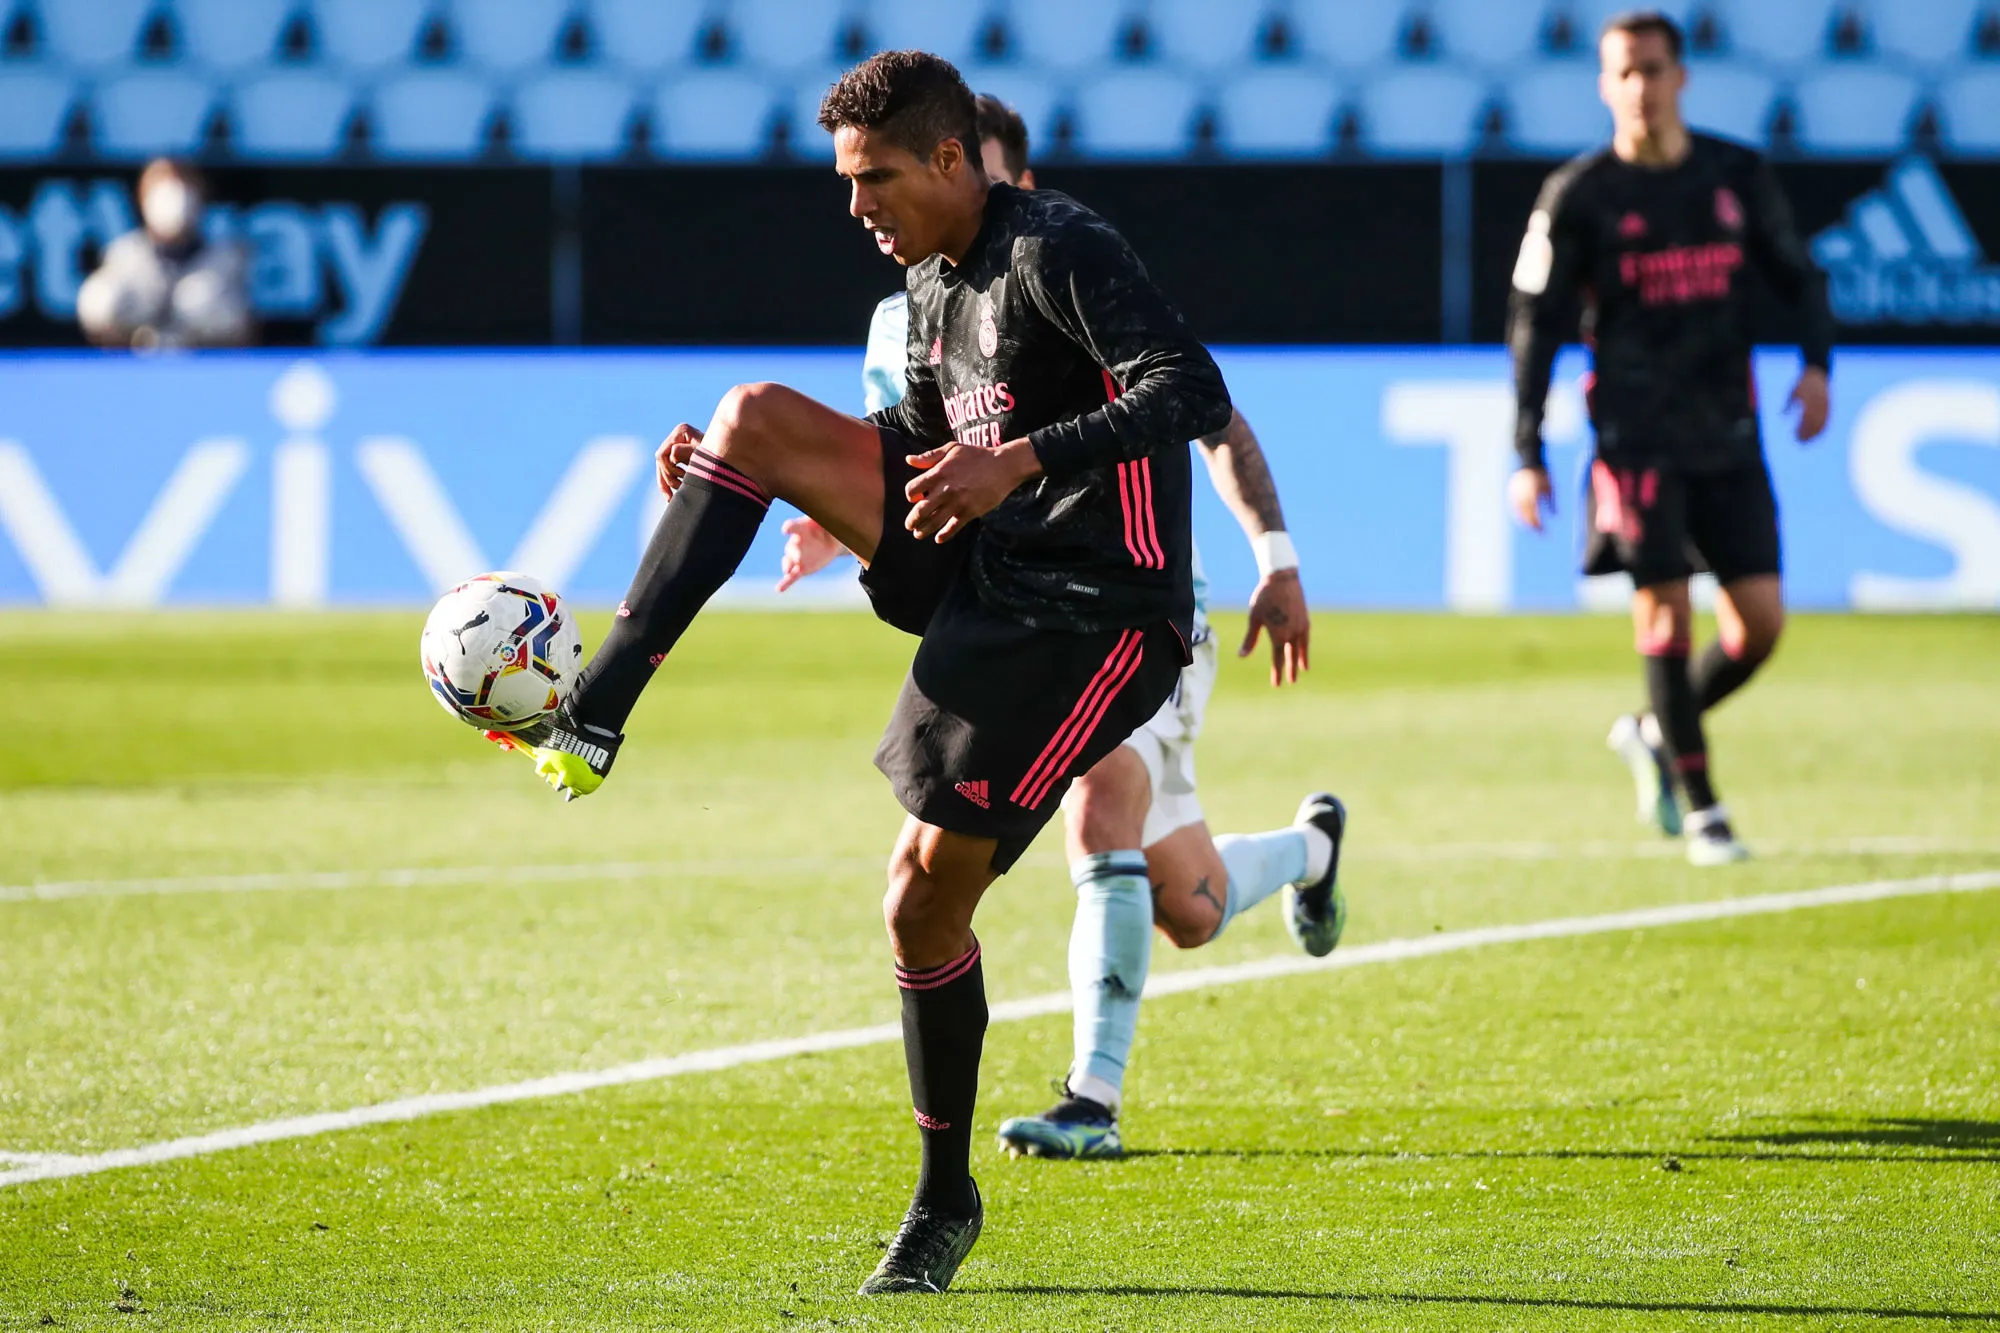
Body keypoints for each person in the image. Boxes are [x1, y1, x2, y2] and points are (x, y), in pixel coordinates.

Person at [483, 51, 1231, 1294]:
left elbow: (1188, 385)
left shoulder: (1056, 246)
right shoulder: (932, 283)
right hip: (990, 570)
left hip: (1100, 612)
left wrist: (1024, 460)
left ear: (951, 159)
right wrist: (757, 479)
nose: (855, 207)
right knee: (752, 419)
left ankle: (944, 1198)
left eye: (873, 176)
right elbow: (927, 445)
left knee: (919, 906)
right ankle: (598, 704)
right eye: (845, 181)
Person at [779, 94, 1348, 1163]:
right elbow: (905, 455)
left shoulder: (1063, 266)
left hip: (1125, 615)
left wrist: (1276, 557)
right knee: (1186, 902)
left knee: (1100, 811)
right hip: (1011, 607)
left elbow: (1207, 409)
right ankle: (1312, 848)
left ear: (995, 177)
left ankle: (1092, 1096)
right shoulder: (914, 308)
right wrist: (835, 517)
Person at [1506, 9, 1832, 866]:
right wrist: (1528, 449)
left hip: (1729, 430)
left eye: (1654, 69)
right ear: (1605, 85)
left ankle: (1657, 732)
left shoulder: (1735, 175)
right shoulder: (1578, 196)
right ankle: (1704, 810)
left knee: (1758, 624)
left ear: (1681, 76)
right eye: (1624, 73)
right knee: (1665, 612)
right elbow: (1533, 324)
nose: (1641, 88)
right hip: (1633, 439)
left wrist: (1818, 364)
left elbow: (1798, 273)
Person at [76, 158, 253, 351]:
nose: (173, 199)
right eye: (161, 187)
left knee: (203, 298)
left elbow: (245, 327)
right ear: (143, 197)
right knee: (103, 297)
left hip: (206, 363)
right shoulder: (124, 253)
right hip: (135, 361)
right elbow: (99, 316)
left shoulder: (226, 256)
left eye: (183, 187)